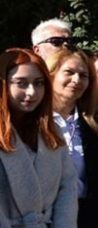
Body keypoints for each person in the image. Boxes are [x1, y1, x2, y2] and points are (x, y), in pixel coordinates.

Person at [0, 48, 77, 226]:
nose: (32, 92)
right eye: (21, 83)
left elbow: (67, 190)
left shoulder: (52, 132)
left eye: (39, 83)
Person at [46, 48, 98, 227]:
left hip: (88, 216)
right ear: (50, 74)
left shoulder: (95, 125)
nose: (76, 80)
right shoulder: (34, 123)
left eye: (83, 75)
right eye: (69, 72)